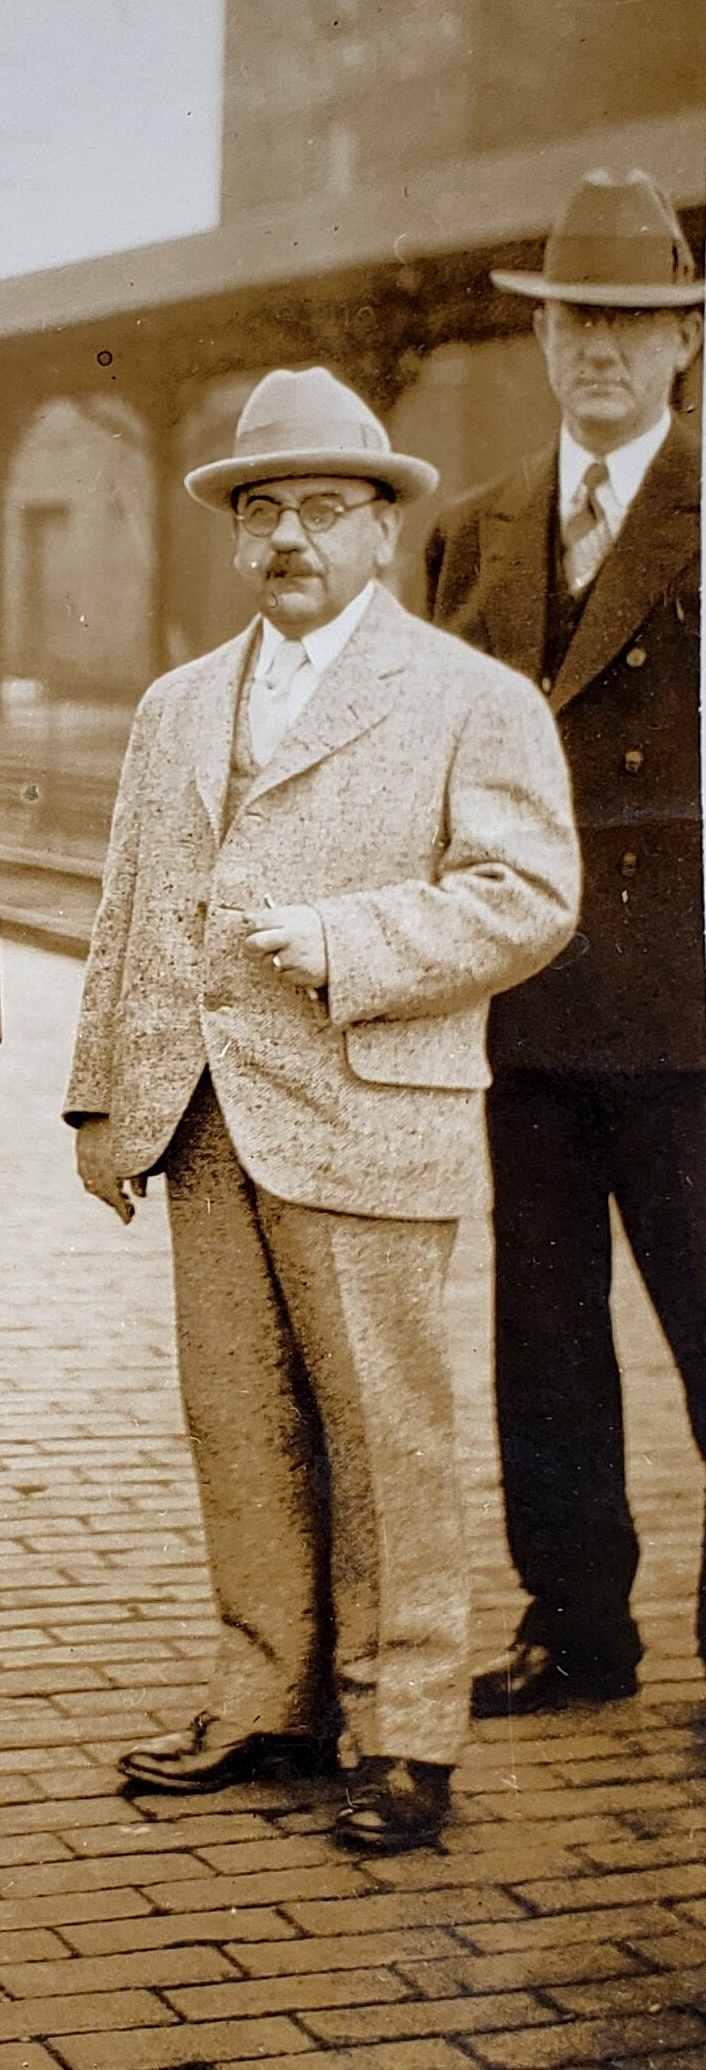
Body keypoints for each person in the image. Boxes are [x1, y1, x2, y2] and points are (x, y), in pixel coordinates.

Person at [67, 368, 579, 1853]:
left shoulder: (470, 700)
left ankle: (405, 1735)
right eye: (264, 510)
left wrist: (354, 944)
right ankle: (267, 1698)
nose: (291, 537)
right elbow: (128, 912)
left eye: (325, 510)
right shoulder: (177, 707)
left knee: (387, 1433)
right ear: (237, 536)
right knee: (238, 1422)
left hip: (368, 1109)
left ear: (382, 529)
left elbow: (529, 896)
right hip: (205, 1122)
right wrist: (107, 1101)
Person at [425, 169, 704, 1719]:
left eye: (635, 322)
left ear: (684, 344)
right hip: (522, 1014)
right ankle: (575, 1628)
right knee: (544, 1342)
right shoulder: (473, 540)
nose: (601, 348)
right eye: (576, 320)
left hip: (690, 1016)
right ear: (544, 342)